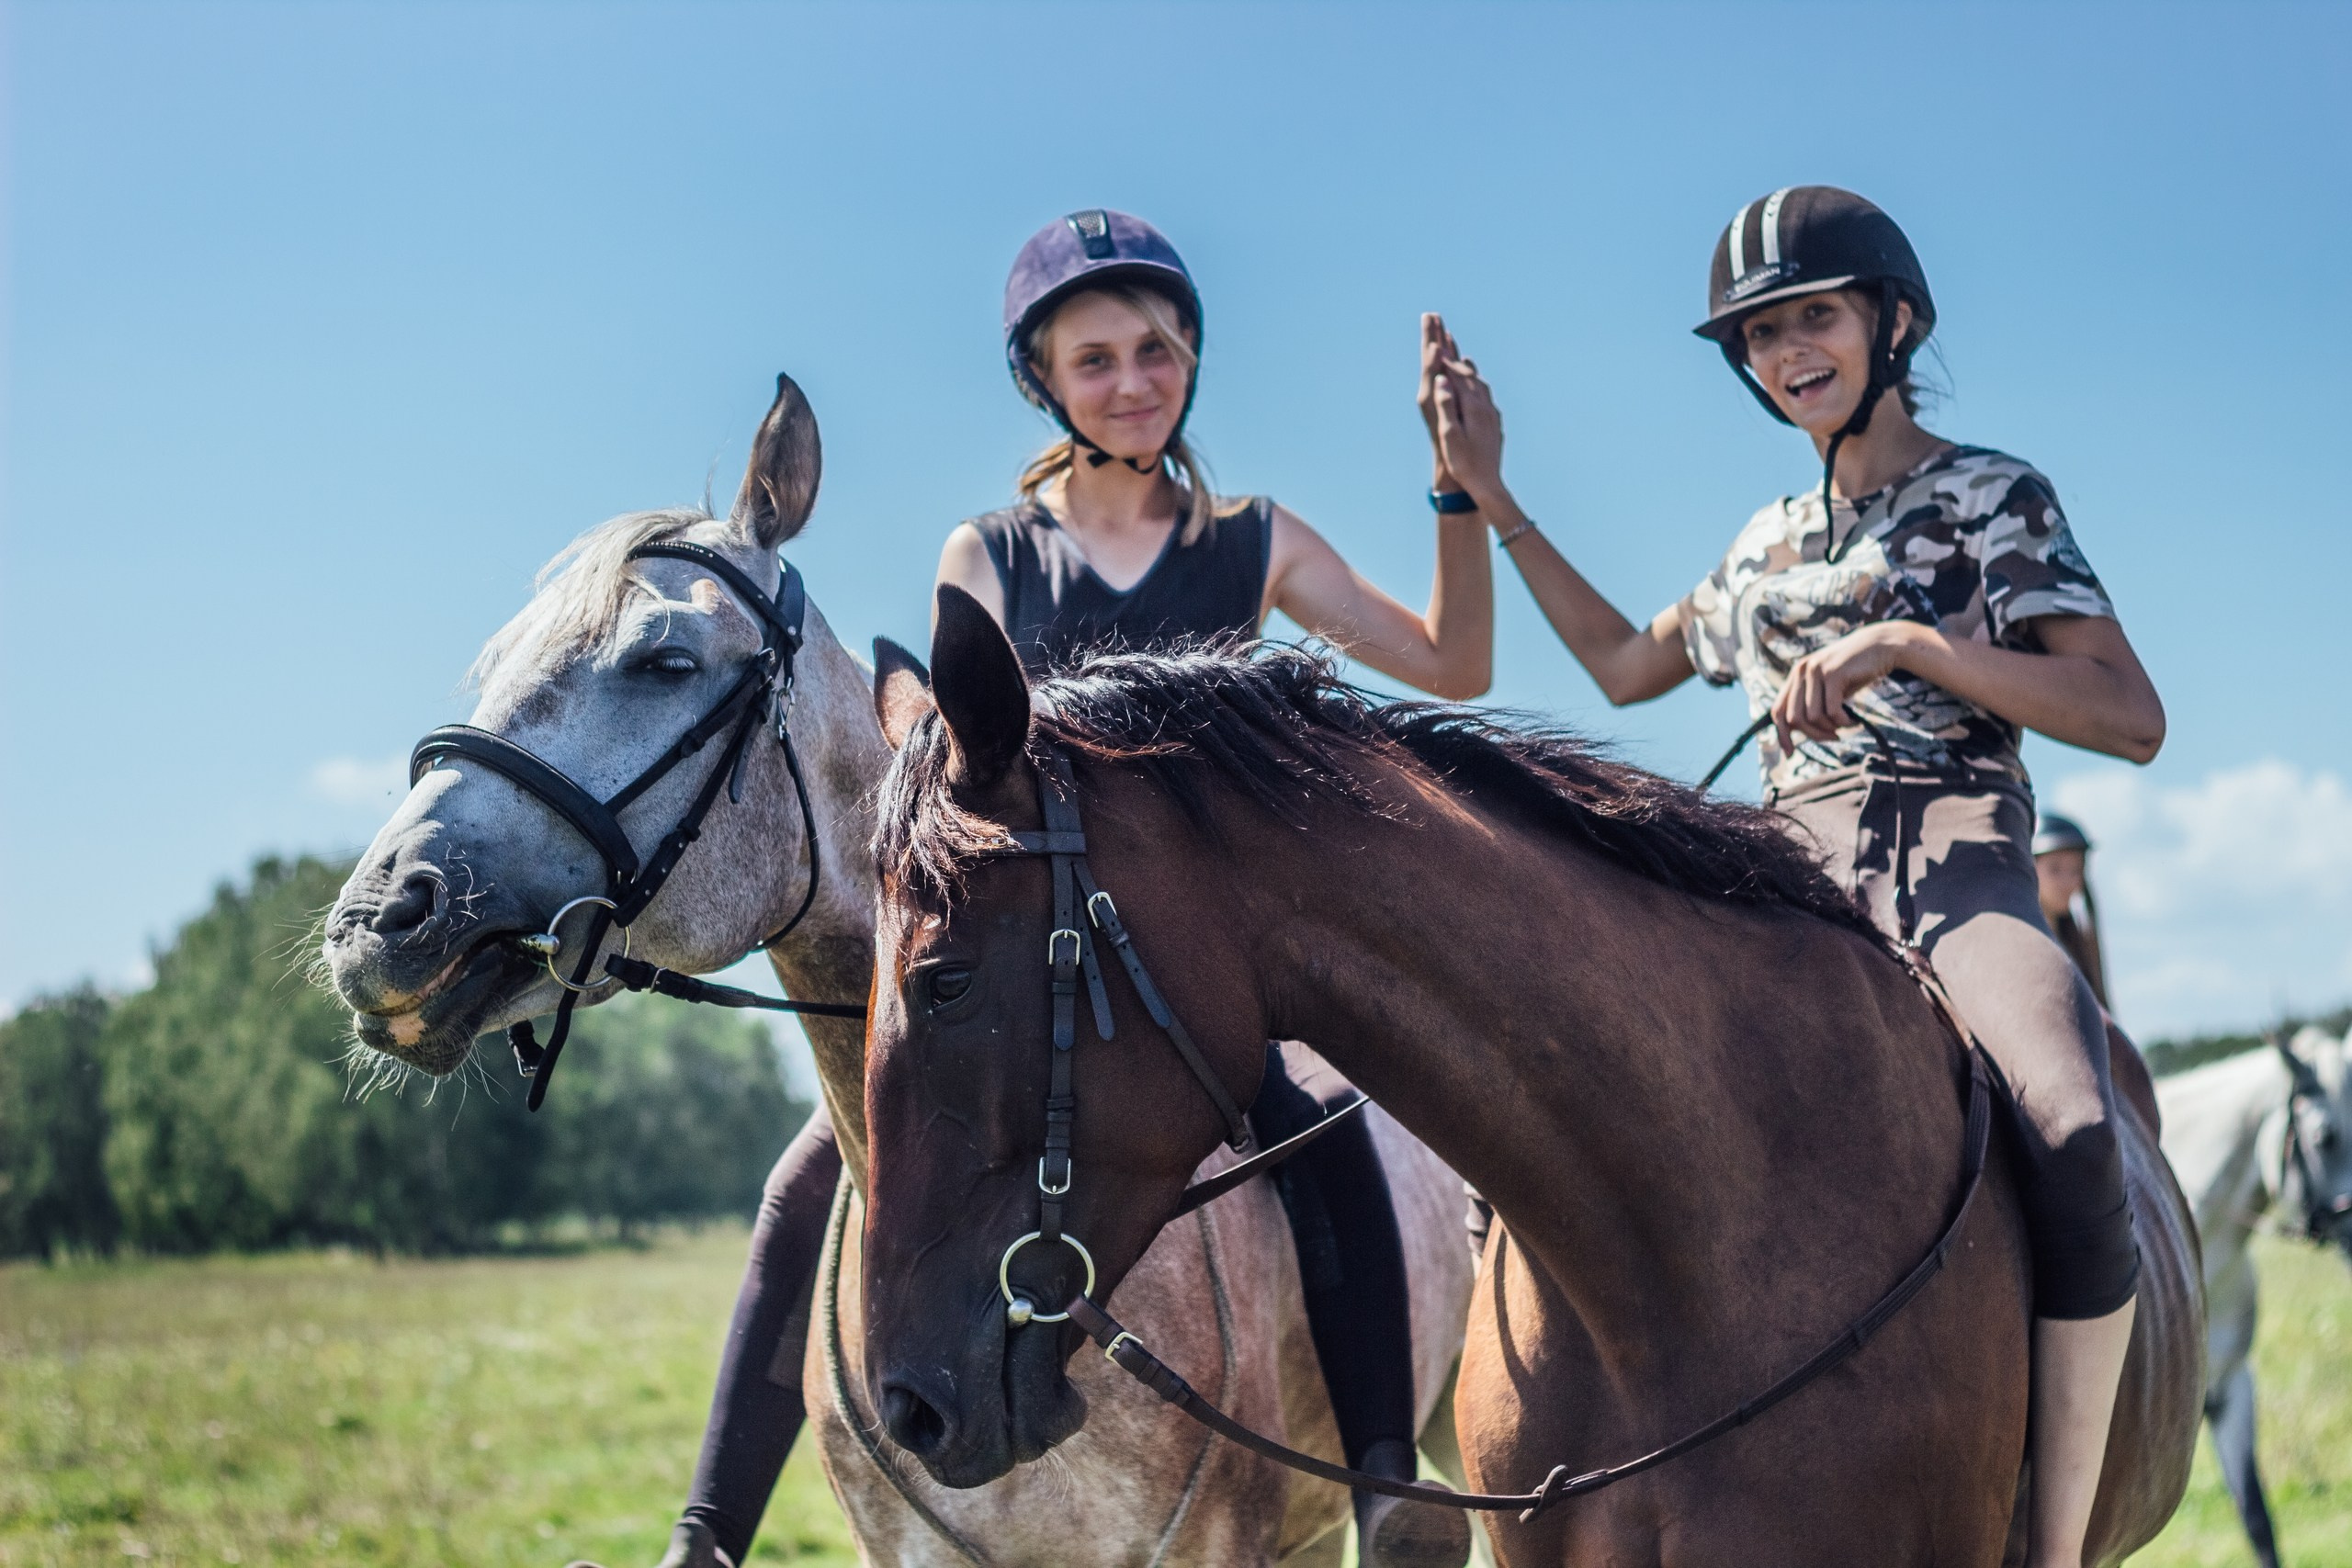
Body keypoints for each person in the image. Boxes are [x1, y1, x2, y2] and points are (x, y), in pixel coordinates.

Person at [599, 209, 1491, 1568]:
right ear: (1046, 381)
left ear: (1189, 357)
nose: (1132, 380)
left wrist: (1459, 489)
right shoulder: (991, 554)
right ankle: (707, 1534)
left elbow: (1453, 664)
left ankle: (1383, 1478)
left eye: (1155, 350)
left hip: (1207, 948)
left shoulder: (1254, 540)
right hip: (1054, 946)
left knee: (1315, 1125)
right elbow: (956, 752)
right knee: (817, 1168)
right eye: (1095, 360)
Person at [1421, 187, 2164, 1568]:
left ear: (1892, 320)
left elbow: (2130, 713)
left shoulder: (1995, 497)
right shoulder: (1759, 545)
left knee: (2066, 1120)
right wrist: (1495, 492)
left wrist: (1920, 649)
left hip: (1960, 874)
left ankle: (2052, 1538)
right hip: (1771, 892)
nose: (1786, 351)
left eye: (1812, 316)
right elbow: (1627, 668)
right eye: (1760, 334)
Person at [2033, 813, 2108, 1008]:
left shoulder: (2077, 947)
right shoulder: (2020, 947)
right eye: (2055, 869)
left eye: (2075, 870)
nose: (2068, 882)